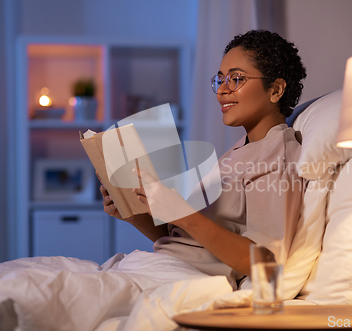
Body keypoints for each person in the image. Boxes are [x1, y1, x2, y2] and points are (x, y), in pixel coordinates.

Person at [101, 29, 307, 289]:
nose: (222, 90)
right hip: (157, 267)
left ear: (275, 89)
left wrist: (183, 213)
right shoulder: (240, 150)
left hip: (179, 281)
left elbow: (266, 263)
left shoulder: (277, 157)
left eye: (236, 79)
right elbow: (183, 239)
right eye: (220, 80)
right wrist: (131, 212)